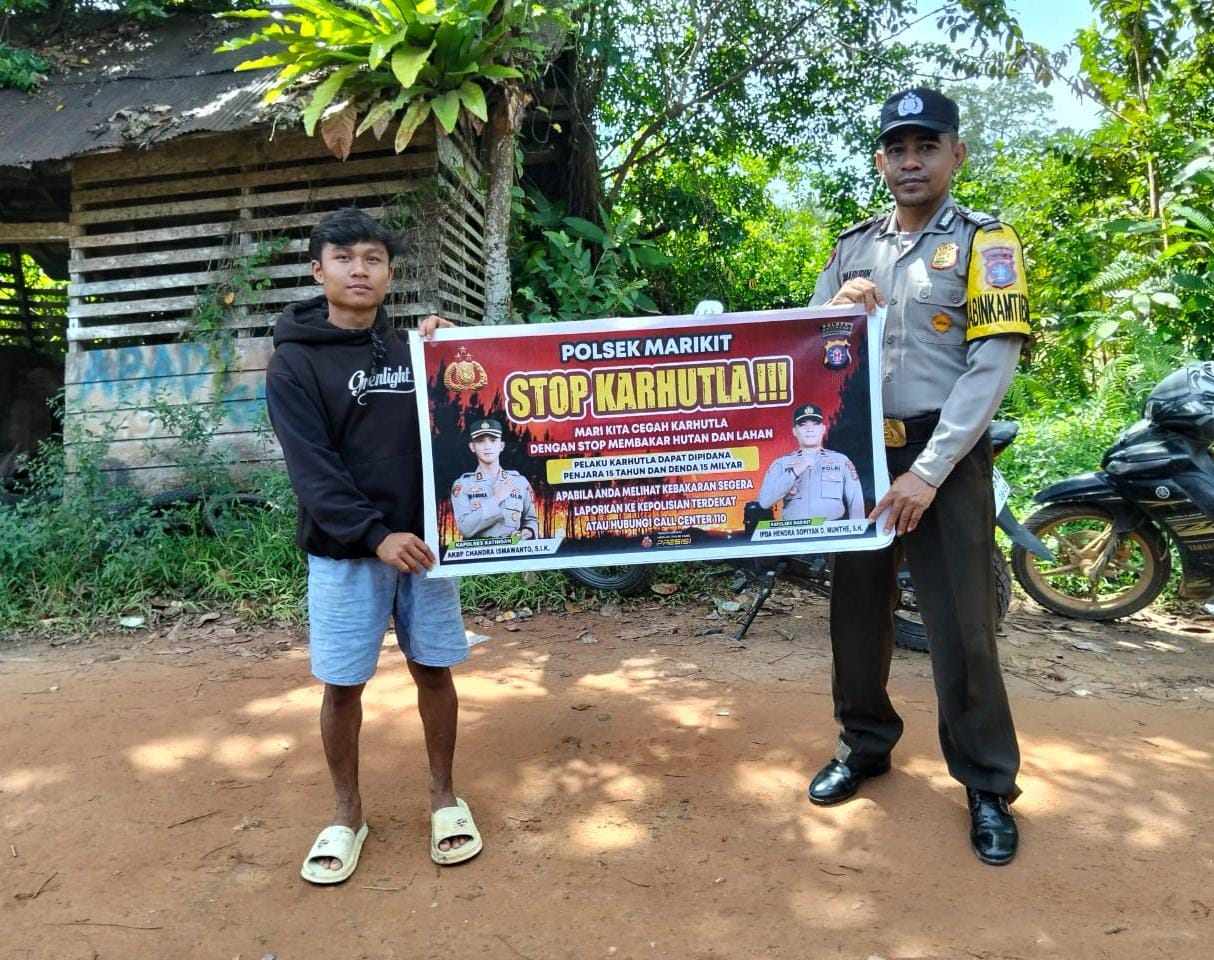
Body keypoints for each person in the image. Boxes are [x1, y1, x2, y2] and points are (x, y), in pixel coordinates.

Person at [805, 88, 1031, 866]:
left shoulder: (985, 242)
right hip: (863, 453)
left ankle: (987, 783)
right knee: (855, 613)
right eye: (898, 148)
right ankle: (864, 744)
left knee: (962, 625)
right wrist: (838, 306)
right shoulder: (852, 247)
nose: (911, 161)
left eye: (927, 146)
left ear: (955, 155)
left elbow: (991, 365)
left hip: (946, 456)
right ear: (880, 161)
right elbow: (808, 344)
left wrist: (928, 473)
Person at [265, 207, 482, 884]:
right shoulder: (294, 362)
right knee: (342, 685)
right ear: (318, 270)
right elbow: (313, 470)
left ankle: (444, 798)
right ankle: (347, 813)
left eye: (373, 258)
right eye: (343, 258)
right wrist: (375, 535)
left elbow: (469, 417)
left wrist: (459, 356)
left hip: (425, 546)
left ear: (389, 273)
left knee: (433, 670)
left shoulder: (414, 350)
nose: (359, 270)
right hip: (345, 551)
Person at [757, 403, 865, 521]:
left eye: (815, 424)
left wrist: (857, 530)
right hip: (795, 530)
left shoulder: (841, 461)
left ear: (823, 429)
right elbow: (764, 502)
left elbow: (856, 503)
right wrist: (793, 473)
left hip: (832, 530)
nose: (809, 429)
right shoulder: (781, 464)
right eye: (803, 425)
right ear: (794, 431)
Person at [450, 419, 540, 539]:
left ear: (501, 446)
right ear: (472, 447)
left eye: (493, 440)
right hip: (479, 550)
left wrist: (528, 532)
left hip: (514, 550)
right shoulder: (463, 485)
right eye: (480, 441)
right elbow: (465, 529)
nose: (487, 446)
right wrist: (496, 499)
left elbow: (531, 520)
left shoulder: (519, 482)